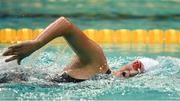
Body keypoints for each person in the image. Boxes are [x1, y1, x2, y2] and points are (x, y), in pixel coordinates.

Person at [2, 17, 159, 83]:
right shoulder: (98, 61)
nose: (132, 72)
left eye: (139, 73)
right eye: (137, 66)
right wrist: (36, 44)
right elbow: (65, 24)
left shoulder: (101, 81)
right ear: (134, 63)